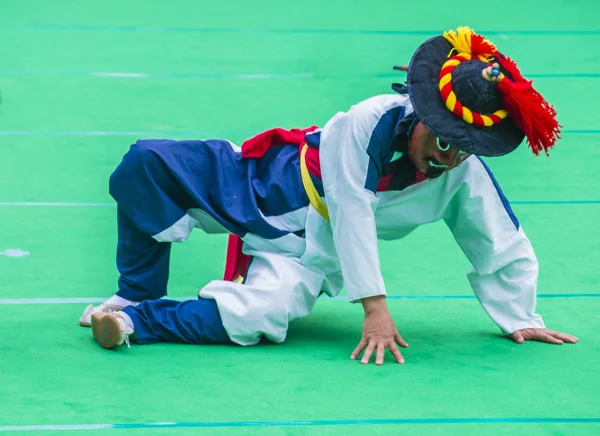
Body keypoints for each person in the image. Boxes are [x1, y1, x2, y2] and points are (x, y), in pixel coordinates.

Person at [83, 27, 578, 364]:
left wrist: (522, 316)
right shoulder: (370, 120)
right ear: (424, 114)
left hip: (311, 252)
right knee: (145, 163)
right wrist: (375, 309)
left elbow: (498, 238)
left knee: (257, 317)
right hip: (259, 181)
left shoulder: (461, 173)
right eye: (444, 141)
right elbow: (351, 208)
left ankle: (133, 320)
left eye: (466, 149)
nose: (450, 159)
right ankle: (137, 290)